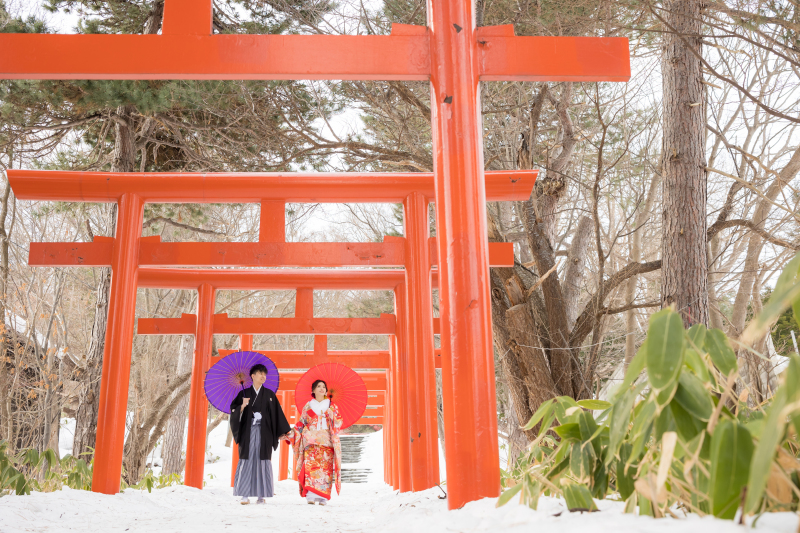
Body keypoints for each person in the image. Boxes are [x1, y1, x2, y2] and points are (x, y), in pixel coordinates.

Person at [230, 363, 291, 505]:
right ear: (253, 376)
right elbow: (233, 410)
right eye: (260, 373)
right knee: (248, 460)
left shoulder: (269, 395)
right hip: (248, 431)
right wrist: (242, 406)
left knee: (262, 460)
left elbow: (277, 414)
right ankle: (244, 494)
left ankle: (261, 495)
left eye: (265, 374)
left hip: (265, 433)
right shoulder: (243, 394)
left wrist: (282, 431)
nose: (263, 376)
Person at [284, 379, 343, 505]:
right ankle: (310, 494)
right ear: (313, 390)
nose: (322, 389)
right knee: (311, 468)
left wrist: (332, 416)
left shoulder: (332, 406)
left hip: (326, 441)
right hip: (310, 440)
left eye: (324, 387)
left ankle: (323, 496)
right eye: (318, 386)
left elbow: (338, 423)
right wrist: (291, 433)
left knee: (325, 469)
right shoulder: (308, 405)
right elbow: (301, 423)